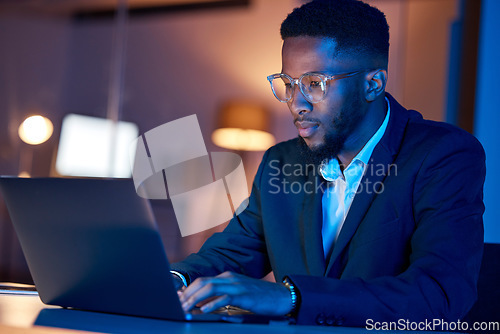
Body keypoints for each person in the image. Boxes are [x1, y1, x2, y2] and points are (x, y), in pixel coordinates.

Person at [170, 0, 486, 327]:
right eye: (288, 83)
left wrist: (292, 297)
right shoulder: (280, 161)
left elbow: (441, 293)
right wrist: (173, 279)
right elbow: (230, 255)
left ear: (373, 84)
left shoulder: (443, 155)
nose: (296, 103)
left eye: (314, 84)